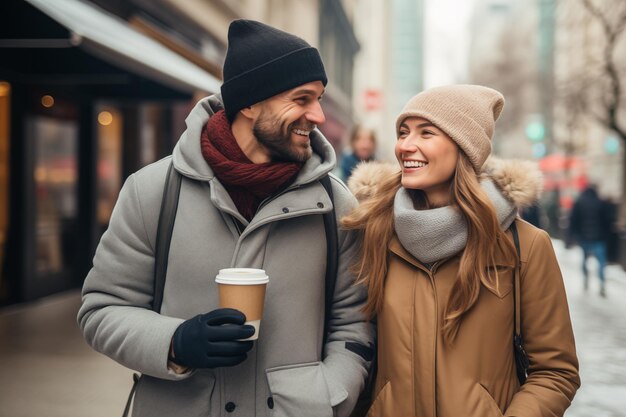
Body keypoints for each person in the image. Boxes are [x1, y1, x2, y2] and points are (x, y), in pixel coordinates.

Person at [78, 19, 374, 417]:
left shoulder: (337, 206)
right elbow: (101, 310)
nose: (318, 115)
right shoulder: (152, 191)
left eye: (318, 99)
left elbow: (354, 328)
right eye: (302, 99)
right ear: (249, 103)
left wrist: (328, 397)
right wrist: (175, 341)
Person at [343, 85, 580, 417]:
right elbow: (355, 348)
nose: (405, 146)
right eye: (403, 132)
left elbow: (556, 372)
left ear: (464, 148)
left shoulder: (525, 245)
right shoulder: (375, 235)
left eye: (426, 133)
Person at [569, 185, 612, 296]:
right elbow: (607, 221)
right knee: (601, 262)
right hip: (599, 238)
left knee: (584, 259)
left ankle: (585, 279)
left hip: (584, 237)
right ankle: (602, 283)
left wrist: (574, 235)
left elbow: (574, 220)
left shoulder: (579, 203)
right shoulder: (600, 203)